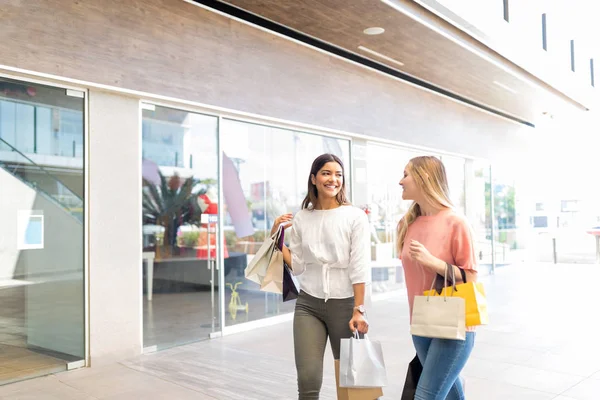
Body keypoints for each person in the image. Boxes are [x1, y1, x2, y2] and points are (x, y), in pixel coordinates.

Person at [271, 153, 370, 400]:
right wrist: (276, 236)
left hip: (345, 304)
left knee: (351, 385)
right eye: (326, 173)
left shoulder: (355, 216)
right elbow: (298, 266)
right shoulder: (303, 217)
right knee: (308, 380)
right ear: (314, 179)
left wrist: (359, 308)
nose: (333, 179)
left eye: (338, 174)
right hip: (308, 304)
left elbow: (360, 267)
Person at [397, 156, 477, 400]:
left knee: (426, 396)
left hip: (455, 325)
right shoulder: (407, 223)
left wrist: (433, 262)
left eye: (406, 174)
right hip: (420, 322)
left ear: (425, 178)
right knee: (451, 394)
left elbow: (471, 278)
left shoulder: (456, 222)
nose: (401, 181)